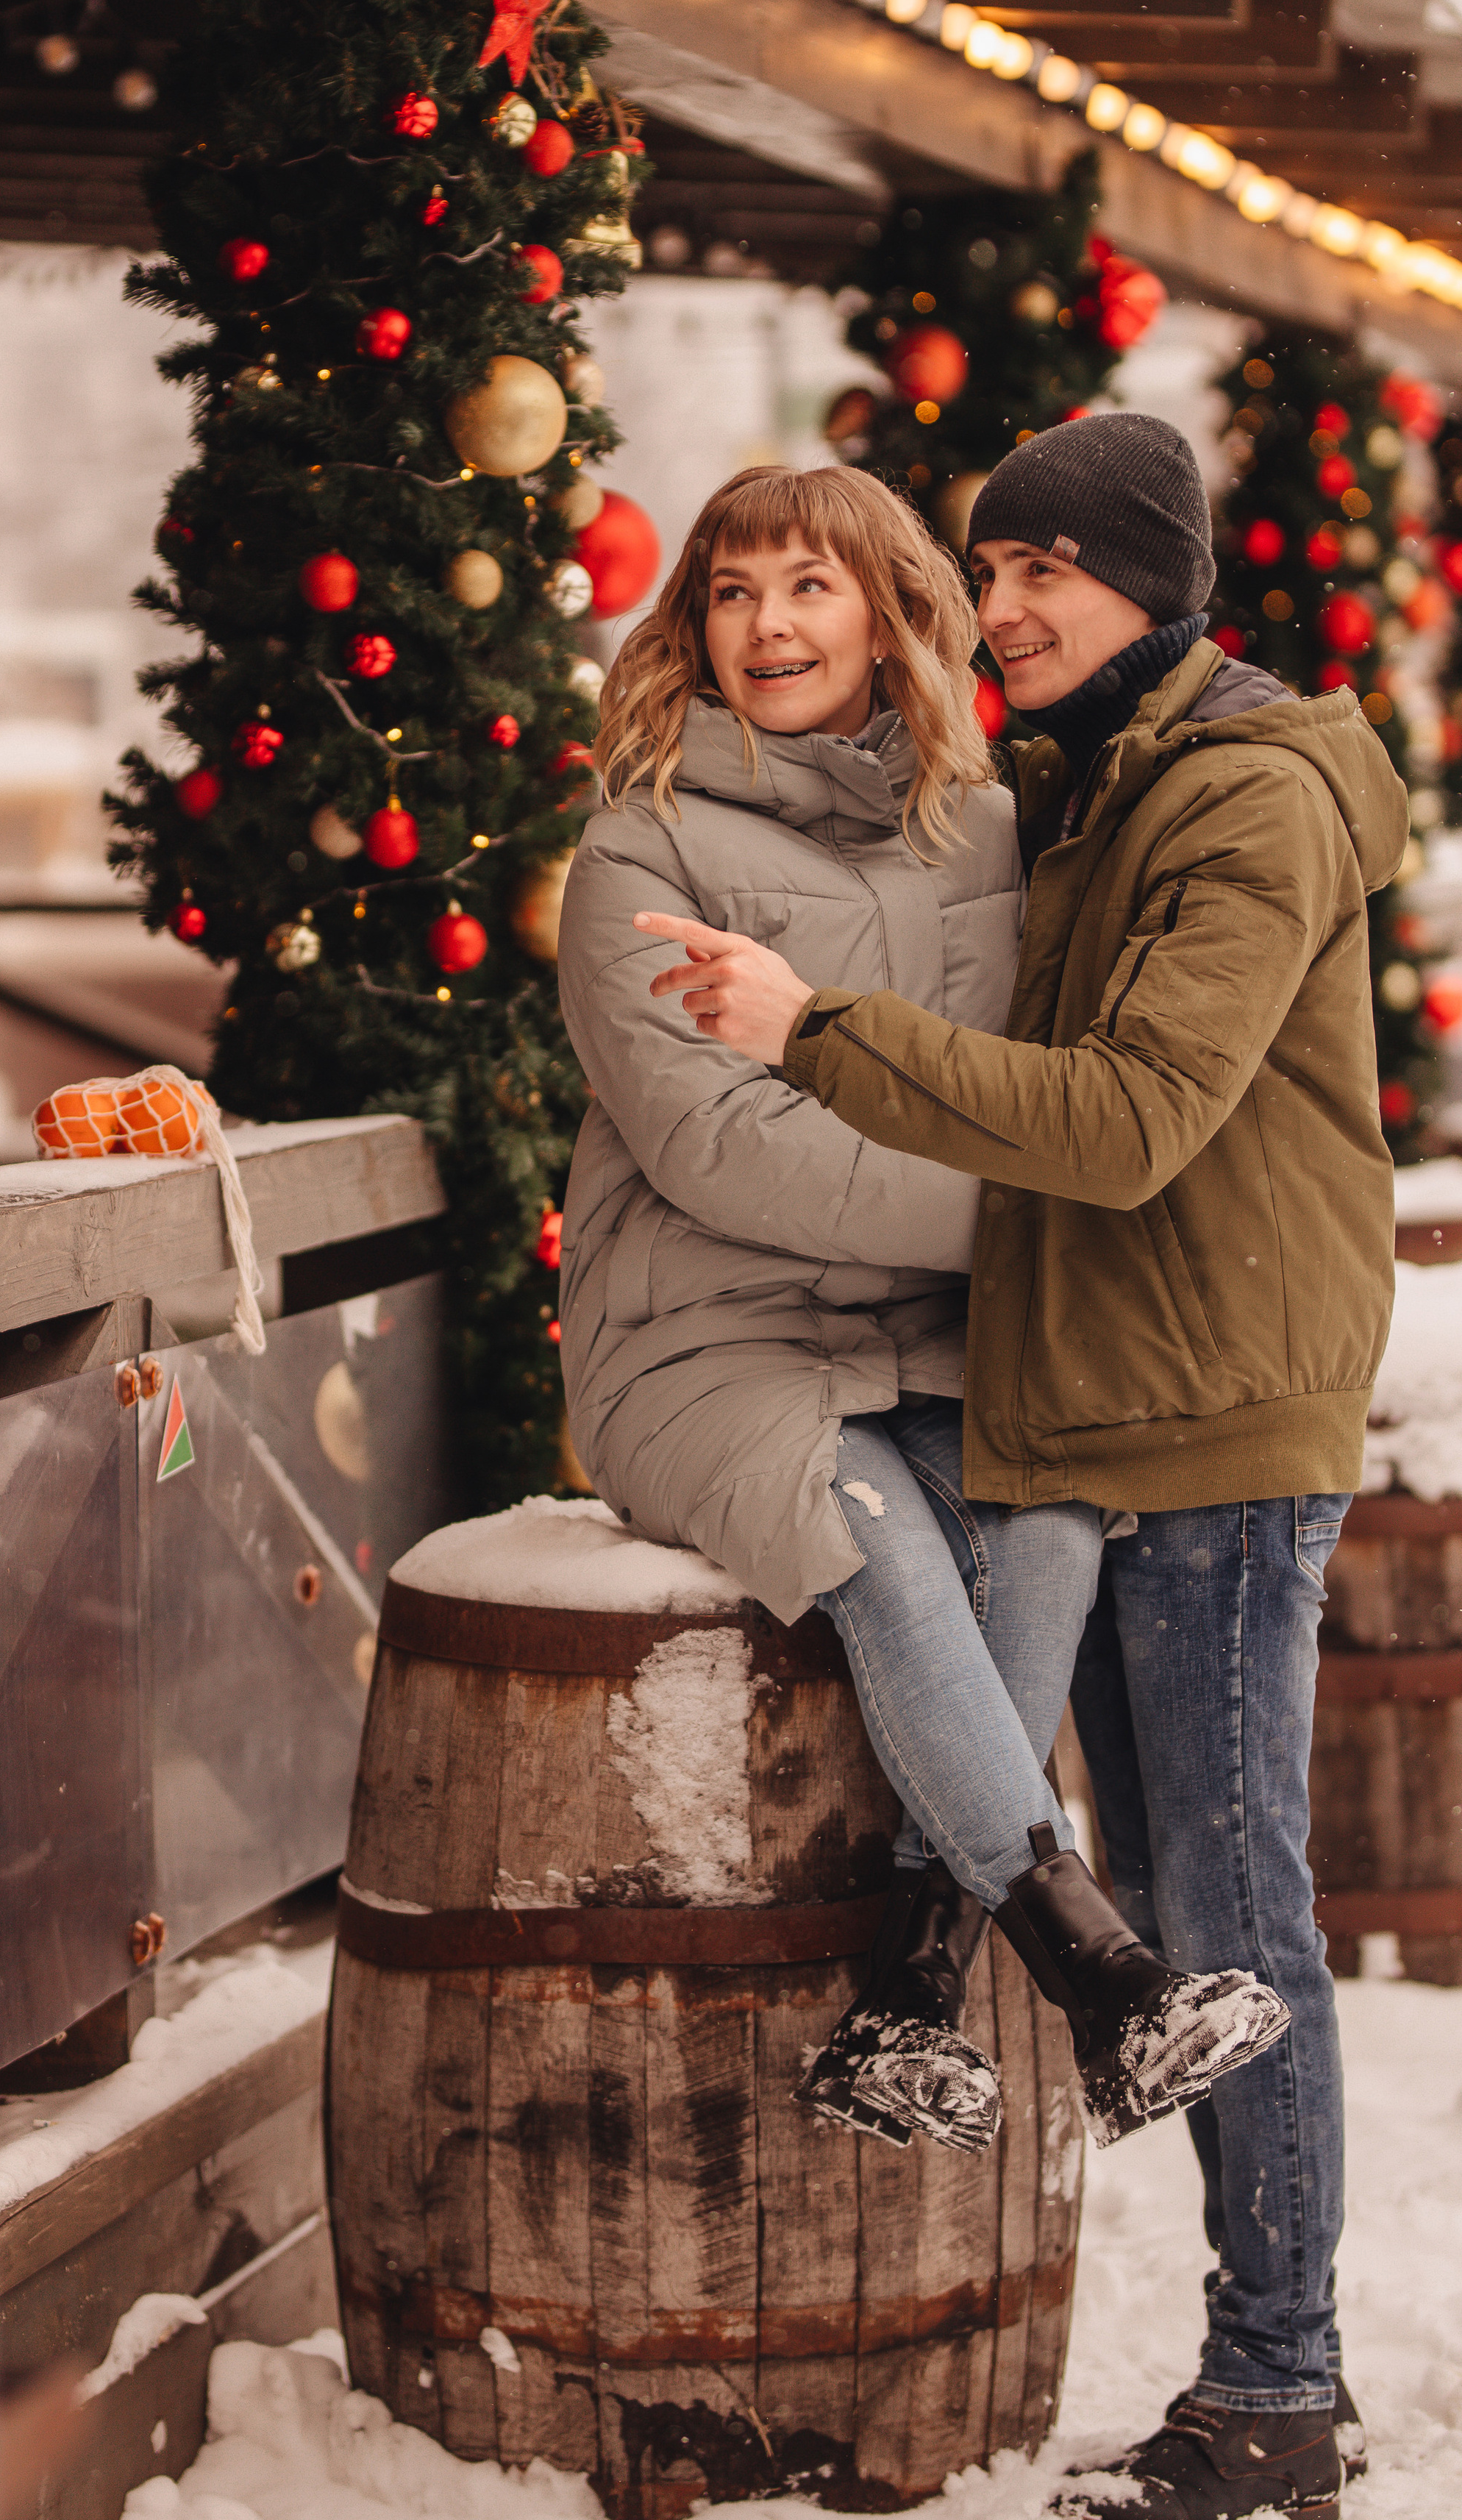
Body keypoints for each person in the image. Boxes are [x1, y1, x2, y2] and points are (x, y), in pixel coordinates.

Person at [637, 410, 1399, 2520]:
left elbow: (1133, 1120)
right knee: (1170, 1898)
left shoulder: (1241, 798)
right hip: (1113, 1393)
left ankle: (1275, 2391)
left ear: (1158, 580)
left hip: (1217, 1414)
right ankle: (1267, 2379)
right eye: (991, 565)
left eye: (1053, 566)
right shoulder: (1095, 780)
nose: (1009, 605)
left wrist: (811, 1034)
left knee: (1231, 1912)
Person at [559, 458, 1288, 2166]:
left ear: (890, 615)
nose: (766, 626)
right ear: (692, 626)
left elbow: (1034, 1083)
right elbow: (723, 1148)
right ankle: (1100, 1982)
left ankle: (905, 1999)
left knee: (1043, 1520)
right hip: (706, 1338)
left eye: (808, 586)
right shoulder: (643, 839)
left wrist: (1042, 1207)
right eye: (731, 593)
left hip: (943, 1331)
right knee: (878, 1538)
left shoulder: (987, 823)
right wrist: (1050, 1222)